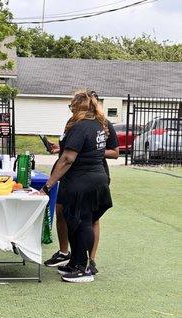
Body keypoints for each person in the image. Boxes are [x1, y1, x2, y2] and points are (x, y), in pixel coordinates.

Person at [39, 89, 113, 283]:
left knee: (82, 223)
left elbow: (68, 158)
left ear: (78, 106)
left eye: (72, 104)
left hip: (83, 181)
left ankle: (83, 268)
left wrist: (48, 185)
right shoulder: (96, 124)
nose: (70, 108)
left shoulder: (80, 127)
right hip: (95, 179)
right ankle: (75, 262)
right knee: (76, 221)